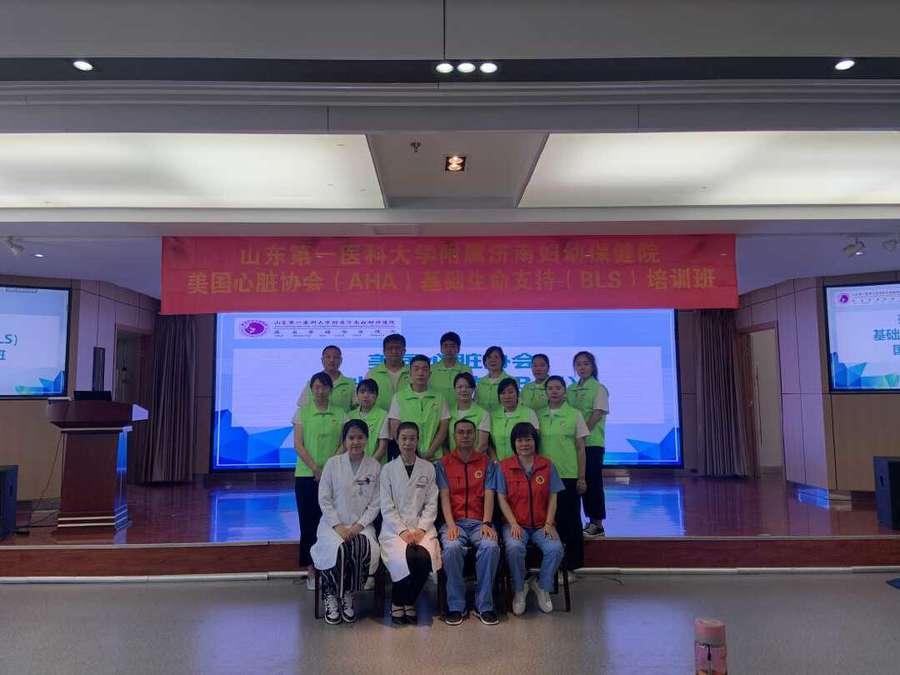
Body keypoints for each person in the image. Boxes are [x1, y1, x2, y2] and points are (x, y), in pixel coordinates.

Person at [311, 420, 382, 624]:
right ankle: (331, 594)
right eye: (351, 438)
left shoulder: (374, 466)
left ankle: (348, 593)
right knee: (336, 549)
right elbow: (324, 499)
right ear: (344, 440)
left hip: (362, 525)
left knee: (363, 547)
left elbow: (376, 502)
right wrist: (338, 526)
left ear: (367, 439)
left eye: (360, 437)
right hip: (332, 525)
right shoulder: (332, 464)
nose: (355, 442)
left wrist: (359, 526)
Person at [493, 422, 565, 615]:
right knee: (514, 547)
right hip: (515, 524)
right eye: (520, 440)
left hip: (542, 524)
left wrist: (549, 523)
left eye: (528, 439)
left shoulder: (547, 465)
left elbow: (553, 497)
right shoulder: (504, 467)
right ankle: (519, 589)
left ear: (535, 441)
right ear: (514, 443)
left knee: (555, 549)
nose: (524, 444)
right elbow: (501, 498)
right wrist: (513, 523)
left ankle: (542, 587)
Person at [435, 419, 500, 626]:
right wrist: (451, 525)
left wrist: (487, 523)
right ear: (454, 436)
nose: (465, 436)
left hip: (480, 522)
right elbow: (444, 496)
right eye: (461, 432)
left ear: (475, 435)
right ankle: (456, 606)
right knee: (451, 548)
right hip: (454, 522)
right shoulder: (443, 464)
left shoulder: (486, 463)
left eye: (469, 432)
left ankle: (485, 606)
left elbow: (489, 494)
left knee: (491, 547)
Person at [379, 422, 441, 625]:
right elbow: (386, 505)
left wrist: (421, 529)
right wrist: (402, 531)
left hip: (422, 528)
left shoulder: (428, 468)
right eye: (404, 438)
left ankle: (407, 600)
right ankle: (399, 602)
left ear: (418, 440)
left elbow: (432, 502)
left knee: (423, 558)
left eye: (412, 438)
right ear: (397, 440)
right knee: (403, 558)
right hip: (394, 530)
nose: (408, 443)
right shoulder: (388, 470)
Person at [292, 371, 347, 590]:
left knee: (332, 521)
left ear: (330, 390)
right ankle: (311, 570)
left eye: (324, 387)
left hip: (334, 475)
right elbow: (298, 444)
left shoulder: (341, 413)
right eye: (316, 387)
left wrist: (328, 468)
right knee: (308, 522)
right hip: (306, 475)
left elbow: (344, 443)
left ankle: (330, 567)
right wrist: (315, 468)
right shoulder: (302, 412)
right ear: (311, 389)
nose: (320, 391)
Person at [538, 375, 588, 575]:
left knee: (570, 520)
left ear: (565, 391)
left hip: (568, 474)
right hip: (543, 475)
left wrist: (582, 477)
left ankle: (571, 566)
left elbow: (581, 449)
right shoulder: (538, 415)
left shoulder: (574, 414)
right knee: (549, 519)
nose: (554, 391)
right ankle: (550, 565)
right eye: (550, 388)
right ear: (546, 392)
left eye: (558, 388)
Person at [566, 351, 610, 539]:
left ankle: (597, 524)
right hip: (573, 444)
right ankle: (583, 522)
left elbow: (597, 413)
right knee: (577, 483)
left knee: (592, 482)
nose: (582, 367)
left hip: (592, 443)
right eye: (578, 364)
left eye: (586, 364)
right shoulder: (571, 389)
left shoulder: (599, 388)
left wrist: (582, 434)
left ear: (593, 366)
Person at [388, 354, 450, 461]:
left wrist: (430, 452)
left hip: (434, 457)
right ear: (410, 373)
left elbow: (443, 428)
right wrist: (410, 451)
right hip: (407, 457)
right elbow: (395, 427)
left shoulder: (439, 397)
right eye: (416, 369)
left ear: (430, 374)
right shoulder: (399, 397)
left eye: (424, 369)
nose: (420, 373)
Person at [489, 377, 539, 462]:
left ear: (517, 393)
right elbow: (489, 443)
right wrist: (495, 461)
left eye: (511, 392)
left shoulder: (529, 413)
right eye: (503, 393)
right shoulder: (493, 415)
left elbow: (535, 441)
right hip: (500, 464)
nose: (507, 396)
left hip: (523, 464)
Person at [297, 345, 357, 412]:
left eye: (335, 357)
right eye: (328, 357)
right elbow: (302, 408)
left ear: (341, 360)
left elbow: (357, 409)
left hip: (343, 419)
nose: (331, 360)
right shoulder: (312, 382)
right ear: (322, 360)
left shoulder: (350, 383)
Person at [447, 372, 490, 453]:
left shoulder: (483, 414)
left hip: (476, 459)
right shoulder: (449, 412)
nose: (463, 390)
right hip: (452, 459)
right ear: (454, 389)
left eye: (467, 387)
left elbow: (482, 445)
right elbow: (445, 442)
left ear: (473, 389)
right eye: (460, 387)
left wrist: (467, 459)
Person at [366, 333, 410, 412]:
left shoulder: (412, 373)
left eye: (397, 348)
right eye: (390, 348)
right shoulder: (372, 374)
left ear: (404, 351)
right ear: (384, 351)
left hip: (407, 417)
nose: (394, 351)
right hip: (379, 418)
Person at [430, 331, 473, 406]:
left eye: (452, 346)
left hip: (459, 411)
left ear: (458, 349)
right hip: (436, 410)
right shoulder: (431, 369)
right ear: (441, 349)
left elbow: (469, 392)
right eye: (445, 346)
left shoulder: (466, 369)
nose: (449, 349)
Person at [354, 379, 390, 462]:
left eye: (371, 392)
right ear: (357, 394)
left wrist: (369, 466)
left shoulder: (383, 415)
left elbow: (382, 448)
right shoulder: (350, 416)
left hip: (376, 465)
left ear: (376, 396)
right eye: (362, 392)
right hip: (353, 465)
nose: (366, 395)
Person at [474, 346, 511, 415]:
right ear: (485, 362)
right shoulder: (480, 382)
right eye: (489, 357)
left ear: (502, 360)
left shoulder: (510, 380)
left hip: (503, 419)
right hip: (483, 419)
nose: (492, 360)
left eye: (496, 357)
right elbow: (476, 404)